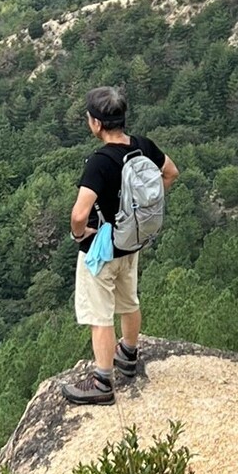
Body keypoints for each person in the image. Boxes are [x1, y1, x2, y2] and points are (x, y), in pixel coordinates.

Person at [62, 85, 178, 405]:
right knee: (129, 300)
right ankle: (128, 353)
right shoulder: (142, 146)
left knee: (100, 314)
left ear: (96, 124)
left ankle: (102, 382)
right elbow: (170, 173)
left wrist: (79, 233)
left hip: (102, 249)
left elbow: (79, 213)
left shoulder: (100, 162)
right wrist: (141, 211)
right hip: (132, 242)